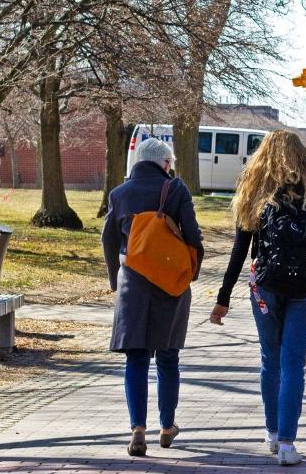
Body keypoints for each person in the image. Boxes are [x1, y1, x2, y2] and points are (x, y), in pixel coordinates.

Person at [209, 130, 306, 467]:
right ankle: (287, 443)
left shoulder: (256, 195)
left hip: (265, 288)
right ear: (301, 158)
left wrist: (222, 298)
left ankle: (271, 432)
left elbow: (239, 252)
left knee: (270, 358)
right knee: (293, 362)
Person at [102, 138, 203, 457]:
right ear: (164, 163)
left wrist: (115, 280)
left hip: (132, 280)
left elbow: (108, 239)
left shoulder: (119, 194)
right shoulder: (175, 190)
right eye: (170, 163)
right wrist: (191, 271)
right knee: (168, 356)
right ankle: (167, 426)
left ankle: (137, 429)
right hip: (170, 282)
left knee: (136, 356)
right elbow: (192, 235)